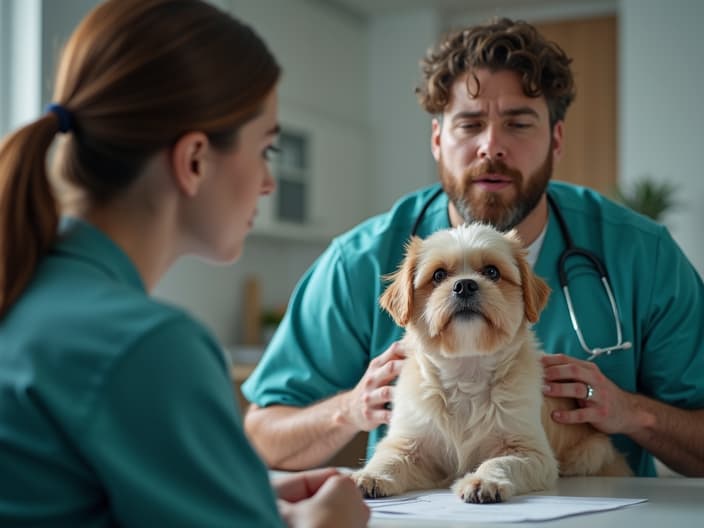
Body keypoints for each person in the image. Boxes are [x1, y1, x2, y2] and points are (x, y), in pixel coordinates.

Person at [242, 17, 704, 478]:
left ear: (556, 140)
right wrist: (348, 410)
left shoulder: (644, 254)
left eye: (518, 123)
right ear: (438, 140)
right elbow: (262, 435)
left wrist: (632, 414)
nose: (491, 146)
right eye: (469, 124)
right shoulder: (359, 261)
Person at [0, 1, 370, 526]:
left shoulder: (25, 291)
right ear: (194, 160)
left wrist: (243, 492)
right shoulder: (145, 345)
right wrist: (327, 522)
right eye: (266, 149)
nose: (267, 182)